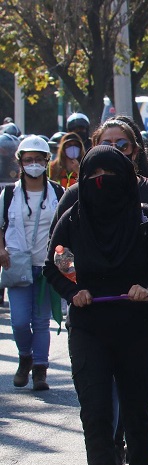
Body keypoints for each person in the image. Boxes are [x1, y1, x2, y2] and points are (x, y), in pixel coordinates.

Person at [44, 145, 148, 465]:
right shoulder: (72, 221)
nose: (102, 183)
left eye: (111, 175)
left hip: (137, 327)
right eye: (93, 177)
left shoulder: (146, 218)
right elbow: (55, 266)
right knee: (97, 411)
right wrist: (74, 292)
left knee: (138, 409)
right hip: (90, 329)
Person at [1, 136, 63, 390]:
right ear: (20, 163)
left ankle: (40, 369)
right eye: (29, 160)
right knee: (18, 320)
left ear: (47, 161)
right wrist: (1, 250)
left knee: (40, 321)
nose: (33, 164)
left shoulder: (58, 192)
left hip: (47, 265)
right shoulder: (7, 194)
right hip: (17, 264)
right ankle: (24, 356)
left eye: (39, 159)